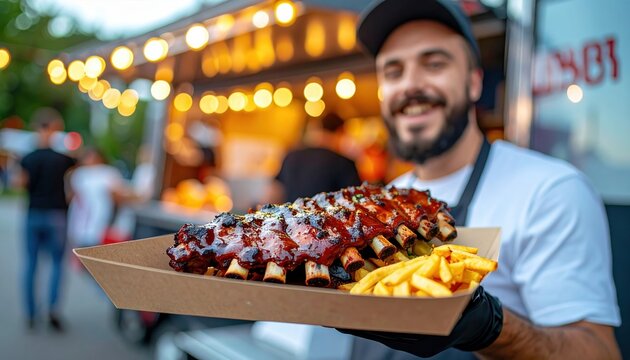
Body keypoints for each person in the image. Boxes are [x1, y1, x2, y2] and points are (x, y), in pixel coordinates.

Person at [342, 0, 622, 359]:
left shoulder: (551, 191)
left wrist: (492, 329)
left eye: (434, 63)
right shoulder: (379, 204)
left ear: (474, 82)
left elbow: (599, 352)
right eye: (393, 71)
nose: (411, 85)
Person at [17, 108, 76, 331]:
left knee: (31, 264)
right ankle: (52, 310)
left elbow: (19, 184)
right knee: (57, 264)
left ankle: (31, 313)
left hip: (34, 213)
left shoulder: (27, 158)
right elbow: (72, 190)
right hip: (57, 215)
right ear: (54, 128)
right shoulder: (65, 160)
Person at [268, 112, 362, 203]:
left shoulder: (291, 156)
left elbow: (272, 193)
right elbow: (358, 199)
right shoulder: (343, 163)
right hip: (327, 218)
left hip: (291, 218)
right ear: (341, 131)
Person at [67, 148, 129, 249]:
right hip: (83, 221)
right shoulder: (80, 173)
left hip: (102, 220)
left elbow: (117, 197)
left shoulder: (108, 173)